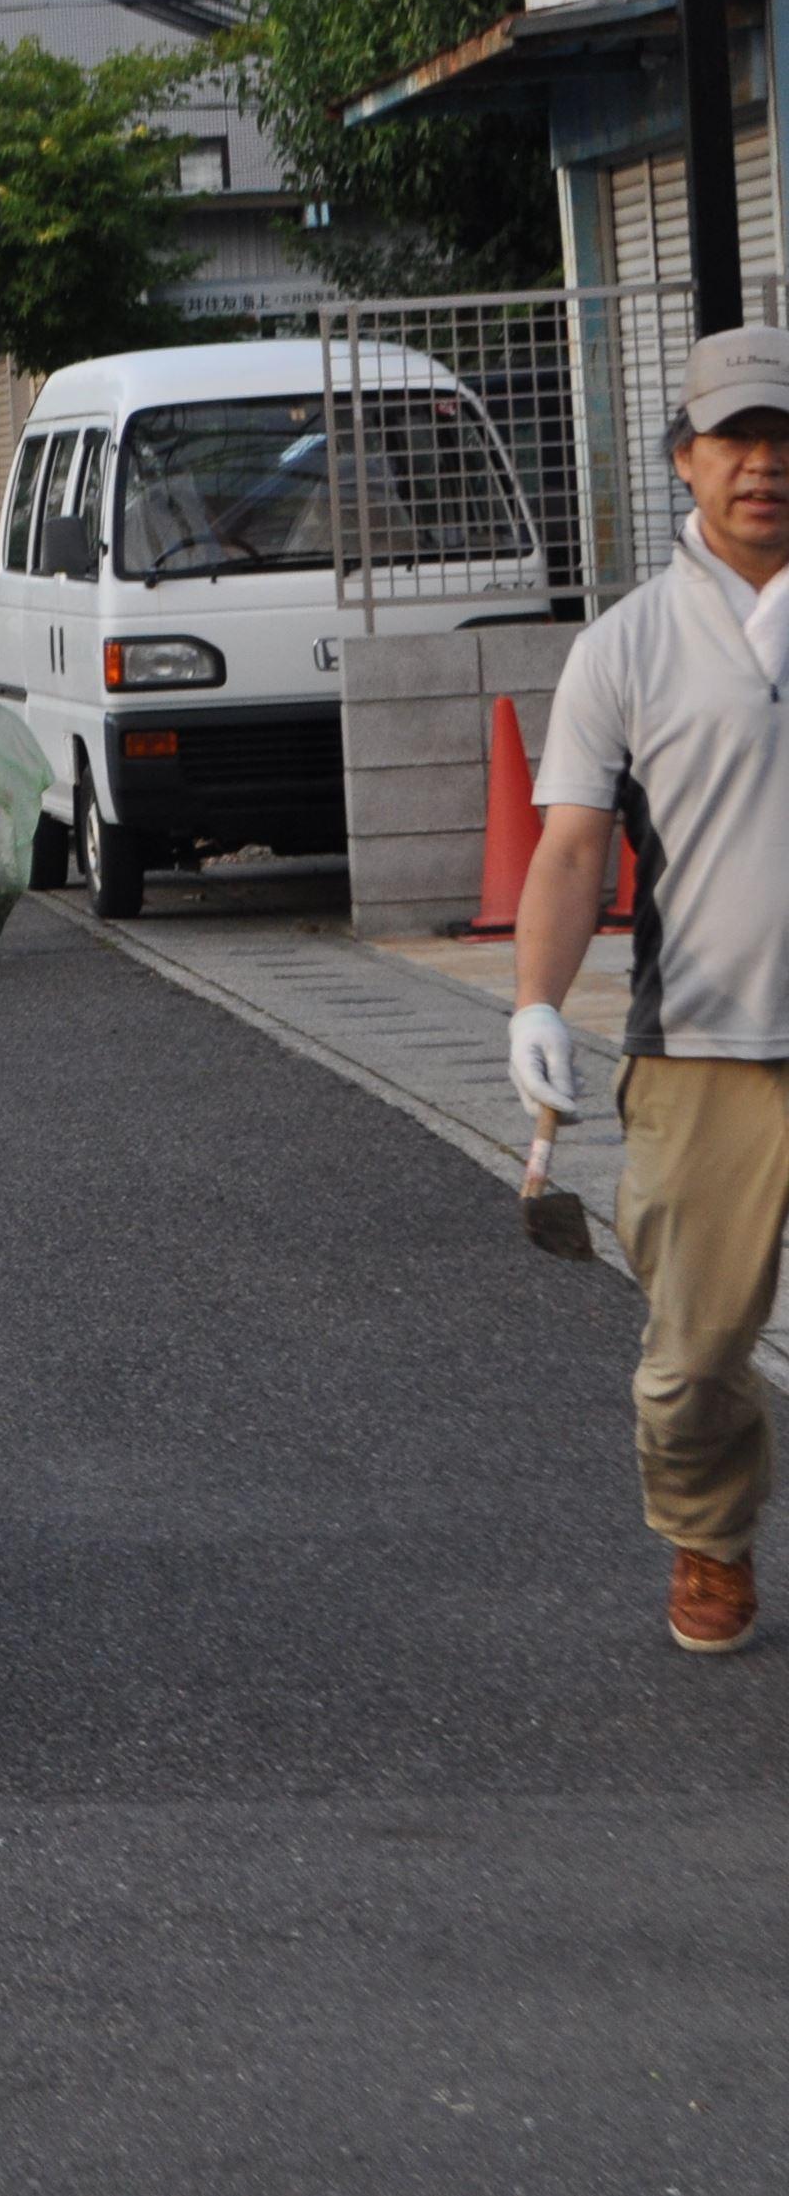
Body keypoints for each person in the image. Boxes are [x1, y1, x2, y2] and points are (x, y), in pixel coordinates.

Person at [509, 323, 789, 1655]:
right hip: (702, 1049)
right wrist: (536, 1004)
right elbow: (569, 847)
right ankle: (710, 1541)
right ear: (685, 459)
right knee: (687, 1367)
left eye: (785, 440)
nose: (764, 466)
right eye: (736, 439)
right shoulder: (625, 646)